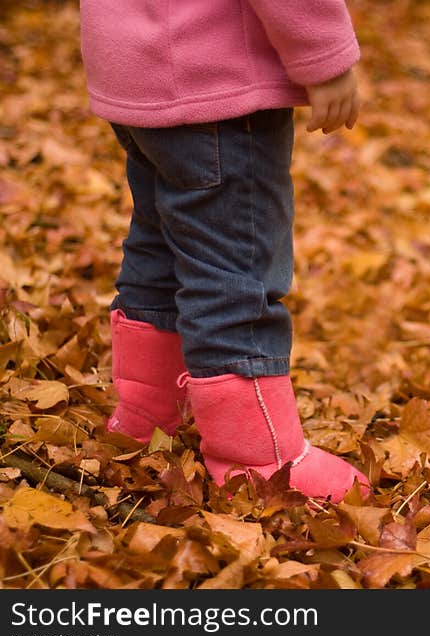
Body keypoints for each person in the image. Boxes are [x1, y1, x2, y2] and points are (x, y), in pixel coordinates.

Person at [78, 0, 371, 503]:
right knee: (237, 265)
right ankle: (257, 458)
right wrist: (326, 58)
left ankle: (145, 414)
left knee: (160, 246)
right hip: (217, 83)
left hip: (135, 73)